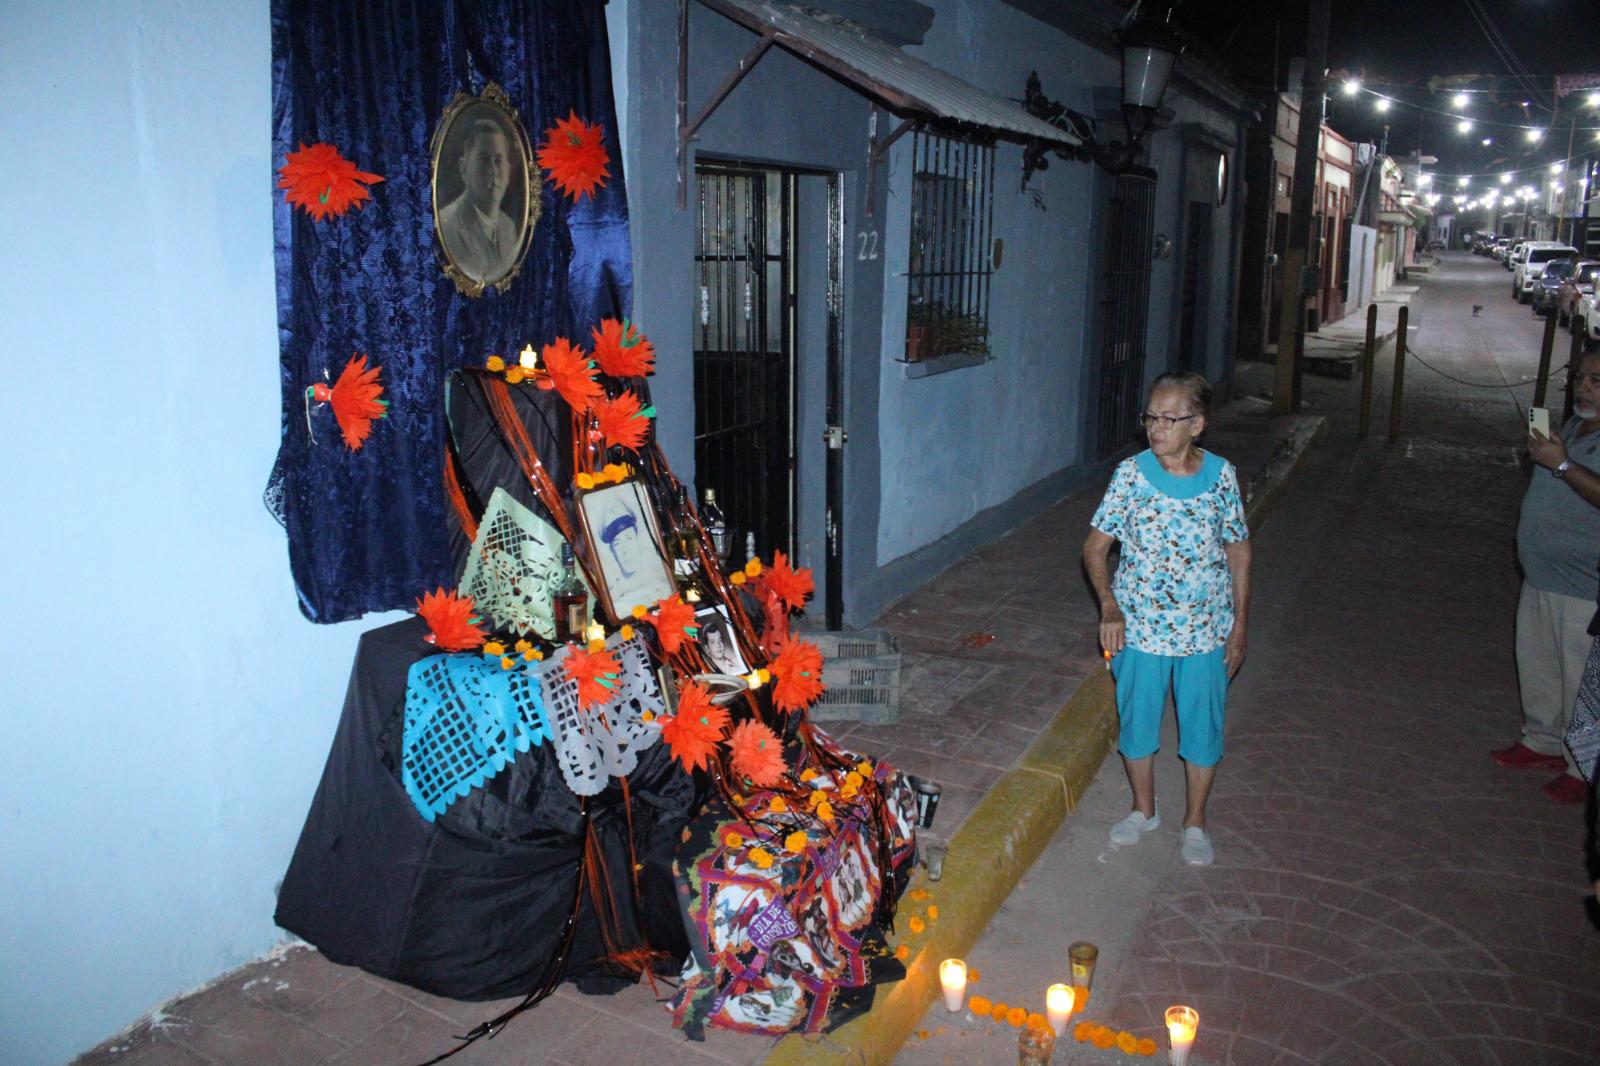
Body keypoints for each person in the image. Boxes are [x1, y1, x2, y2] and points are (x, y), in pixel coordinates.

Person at [1083, 371, 1251, 867]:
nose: (1156, 428)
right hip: (1140, 629)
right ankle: (1144, 810)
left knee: (1203, 730)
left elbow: (1239, 549)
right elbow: (1094, 548)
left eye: (1169, 419)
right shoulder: (1130, 476)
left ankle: (1195, 822)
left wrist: (1240, 623)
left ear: (1197, 425)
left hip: (1206, 629)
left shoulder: (1221, 476)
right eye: (1151, 417)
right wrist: (1109, 605)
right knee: (1137, 723)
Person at [1496, 350, 1600, 804]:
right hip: (1542, 575)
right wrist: (1547, 455)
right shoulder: (1578, 425)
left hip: (1584, 584)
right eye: (1580, 378)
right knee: (1539, 664)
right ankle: (1542, 740)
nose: (1583, 388)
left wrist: (1561, 464)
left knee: (1581, 678)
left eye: (1597, 381)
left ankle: (1584, 768)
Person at [437, 118, 519, 283]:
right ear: (463, 168)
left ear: (509, 171)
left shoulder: (508, 227)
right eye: (483, 160)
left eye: (498, 161)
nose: (493, 171)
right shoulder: (447, 225)